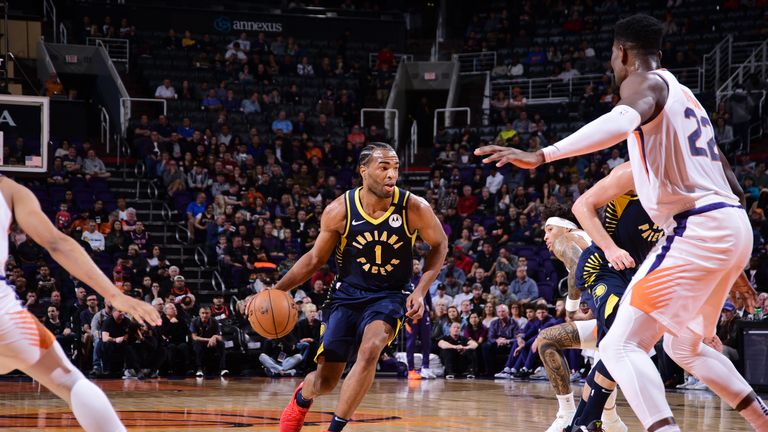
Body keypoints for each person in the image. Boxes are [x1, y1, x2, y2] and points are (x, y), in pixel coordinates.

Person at [476, 14, 767, 432]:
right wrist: (735, 260)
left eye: (614, 56)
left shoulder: (643, 81)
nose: (614, 66)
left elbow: (619, 121)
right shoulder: (689, 101)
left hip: (696, 225)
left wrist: (543, 155)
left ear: (624, 53)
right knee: (684, 346)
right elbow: (732, 181)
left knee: (620, 344)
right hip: (731, 224)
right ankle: (762, 419)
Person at [271, 142, 448, 432]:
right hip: (346, 296)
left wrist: (420, 290)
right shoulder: (339, 210)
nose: (392, 174)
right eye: (384, 167)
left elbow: (440, 244)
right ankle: (302, 398)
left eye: (396, 168)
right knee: (325, 382)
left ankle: (335, 429)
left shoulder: (414, 207)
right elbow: (315, 258)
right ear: (363, 171)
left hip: (390, 296)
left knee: (371, 349)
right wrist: (278, 290)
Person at [0, 175, 160, 431]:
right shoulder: (8, 189)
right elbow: (57, 242)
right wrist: (115, 295)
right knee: (70, 381)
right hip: (4, 317)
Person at [534, 164, 662, 432]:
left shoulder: (566, 238)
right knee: (616, 344)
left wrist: (571, 307)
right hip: (609, 273)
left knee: (614, 346)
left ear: (564, 228)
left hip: (615, 276)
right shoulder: (635, 180)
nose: (546, 237)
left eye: (548, 229)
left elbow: (574, 263)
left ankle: (588, 418)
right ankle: (587, 419)